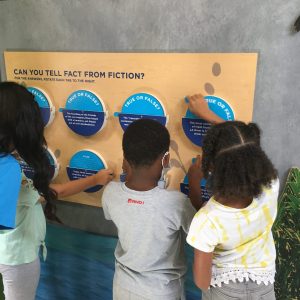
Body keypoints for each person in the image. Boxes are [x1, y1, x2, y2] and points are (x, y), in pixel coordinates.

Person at [0, 81, 114, 300]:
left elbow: (52, 192)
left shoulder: (8, 166)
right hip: (18, 258)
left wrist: (94, 179)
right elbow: (52, 193)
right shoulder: (8, 168)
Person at [186, 94, 279, 300]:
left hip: (223, 291)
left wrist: (194, 181)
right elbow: (244, 147)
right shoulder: (270, 185)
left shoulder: (207, 220)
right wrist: (210, 115)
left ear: (210, 167)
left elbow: (202, 281)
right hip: (263, 287)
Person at [102, 118, 197, 300]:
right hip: (162, 292)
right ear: (166, 159)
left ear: (124, 159)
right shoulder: (177, 202)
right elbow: (200, 231)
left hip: (122, 287)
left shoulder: (110, 193)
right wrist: (193, 182)